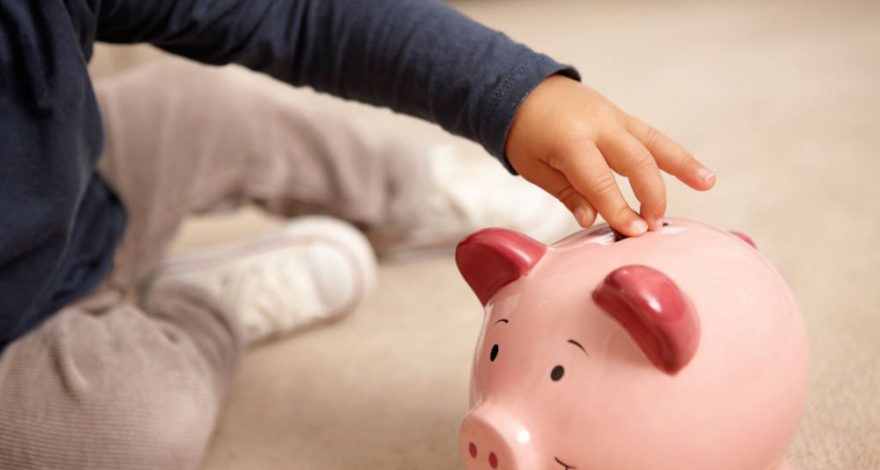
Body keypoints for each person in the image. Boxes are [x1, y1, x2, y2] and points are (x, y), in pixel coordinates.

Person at [0, 1, 715, 469]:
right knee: (132, 432)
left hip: (83, 189)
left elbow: (302, 15)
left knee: (206, 103)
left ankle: (402, 189)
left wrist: (515, 95)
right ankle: (201, 309)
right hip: (15, 340)